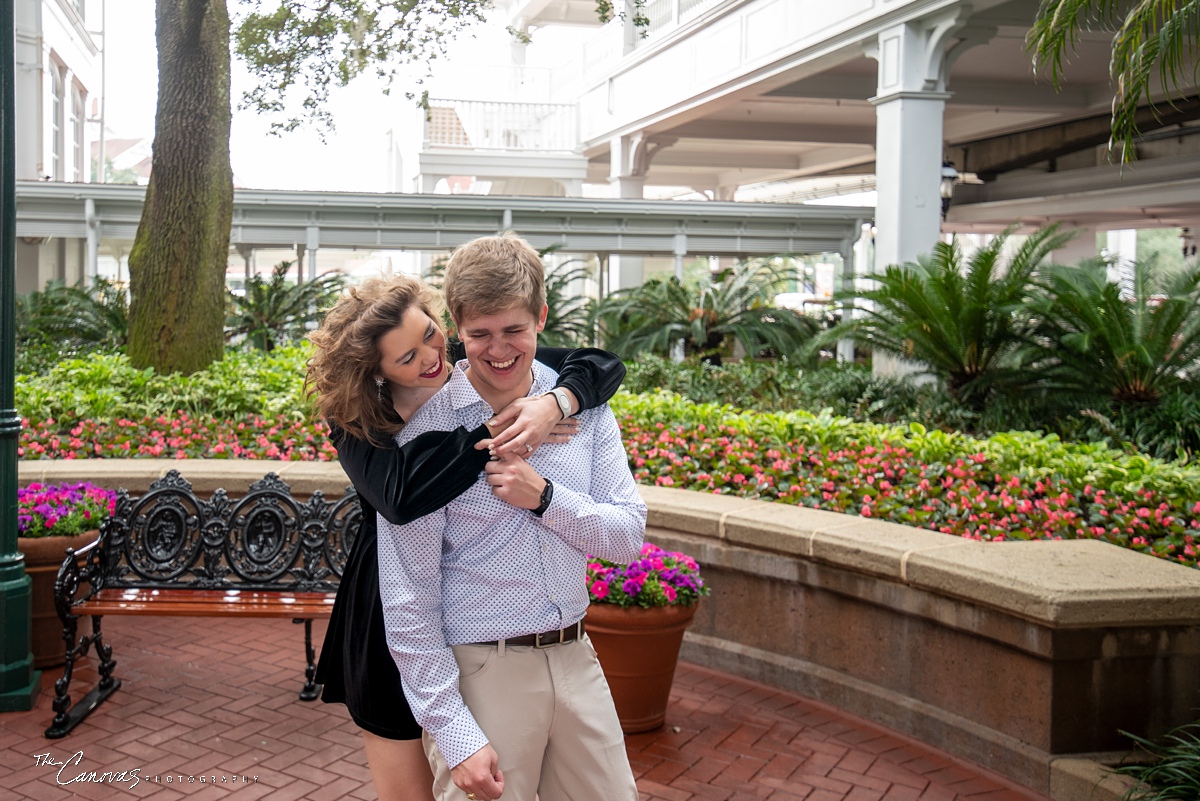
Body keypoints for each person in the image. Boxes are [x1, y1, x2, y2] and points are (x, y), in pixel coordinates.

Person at [306, 274, 627, 801]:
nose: (431, 357)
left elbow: (599, 364)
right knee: (409, 792)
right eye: (406, 358)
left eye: (431, 334)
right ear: (377, 371)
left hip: (464, 624)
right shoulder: (358, 420)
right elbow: (400, 496)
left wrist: (554, 404)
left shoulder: (464, 351)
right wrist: (501, 428)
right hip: (387, 605)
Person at [378, 233, 646, 801]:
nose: (499, 350)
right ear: (455, 328)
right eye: (480, 334)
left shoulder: (582, 408)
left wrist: (546, 498)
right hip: (483, 675)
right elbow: (408, 599)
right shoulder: (427, 436)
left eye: (514, 331)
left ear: (541, 318)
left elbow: (627, 537)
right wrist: (453, 730)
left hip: (578, 657)